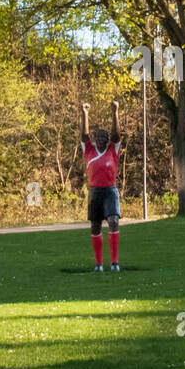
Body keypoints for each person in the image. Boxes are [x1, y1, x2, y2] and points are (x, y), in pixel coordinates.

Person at [81, 100, 122, 271]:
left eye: (103, 138)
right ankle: (99, 264)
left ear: (107, 140)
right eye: (97, 137)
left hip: (110, 191)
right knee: (95, 225)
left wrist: (115, 112)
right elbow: (83, 135)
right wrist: (85, 113)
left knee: (113, 221)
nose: (100, 140)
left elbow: (117, 135)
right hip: (94, 192)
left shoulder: (113, 150)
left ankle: (114, 263)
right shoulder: (88, 150)